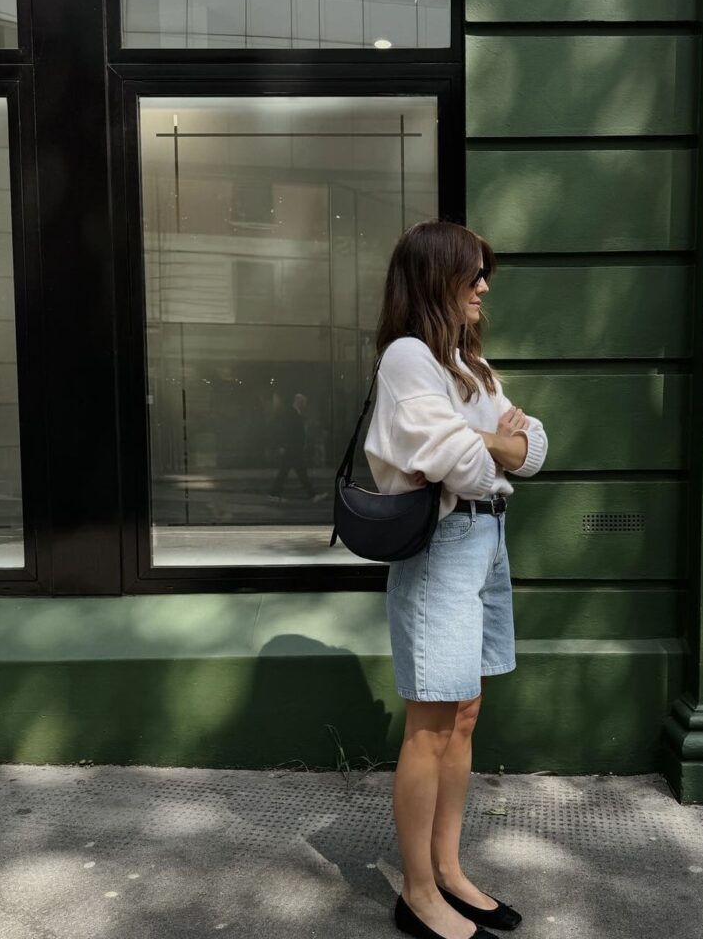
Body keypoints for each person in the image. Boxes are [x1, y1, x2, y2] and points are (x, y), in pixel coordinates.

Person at [364, 220, 548, 939]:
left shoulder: (469, 366)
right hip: (440, 545)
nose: (483, 287)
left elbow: (533, 450)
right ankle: (416, 894)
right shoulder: (408, 357)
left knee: (465, 713)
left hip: (486, 540)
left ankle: (449, 870)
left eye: (484, 274)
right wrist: (490, 443)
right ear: (434, 278)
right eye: (471, 274)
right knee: (430, 724)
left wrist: (488, 442)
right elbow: (463, 463)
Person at [269, 392, 325, 502]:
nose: (305, 404)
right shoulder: (291, 414)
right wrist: (283, 445)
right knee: (297, 473)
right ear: (298, 402)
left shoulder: (295, 413)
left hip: (293, 448)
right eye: (304, 402)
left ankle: (274, 494)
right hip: (292, 448)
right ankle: (312, 495)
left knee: (288, 472)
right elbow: (287, 431)